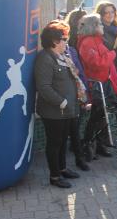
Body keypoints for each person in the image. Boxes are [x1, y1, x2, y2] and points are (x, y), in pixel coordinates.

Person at [35, 21, 85, 188]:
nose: (67, 41)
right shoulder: (45, 58)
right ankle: (55, 176)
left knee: (63, 141)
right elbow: (43, 87)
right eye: (64, 38)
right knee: (54, 143)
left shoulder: (62, 57)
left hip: (66, 110)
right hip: (54, 111)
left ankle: (62, 168)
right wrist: (62, 102)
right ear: (55, 41)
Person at [77, 14, 117, 161]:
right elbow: (98, 63)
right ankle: (88, 144)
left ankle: (98, 144)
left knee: (100, 116)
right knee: (96, 116)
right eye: (99, 23)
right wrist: (112, 54)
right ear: (93, 26)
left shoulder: (97, 40)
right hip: (97, 85)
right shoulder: (87, 43)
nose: (102, 26)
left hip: (105, 83)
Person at [64, 8, 91, 171]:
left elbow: (79, 67)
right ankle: (76, 148)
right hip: (69, 88)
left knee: (79, 119)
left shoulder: (76, 44)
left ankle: (78, 148)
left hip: (79, 83)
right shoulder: (72, 40)